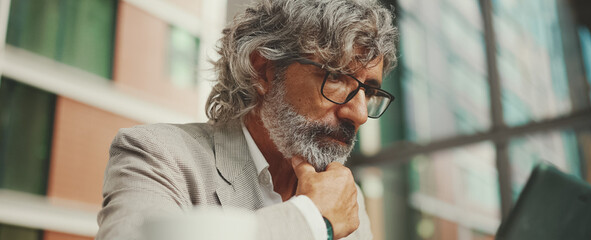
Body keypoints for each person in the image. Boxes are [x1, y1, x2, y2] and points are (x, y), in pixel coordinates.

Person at [96, 0, 398, 239]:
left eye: (369, 91)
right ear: (263, 71)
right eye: (335, 77)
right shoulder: (157, 155)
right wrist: (313, 219)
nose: (359, 114)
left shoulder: (346, 194)